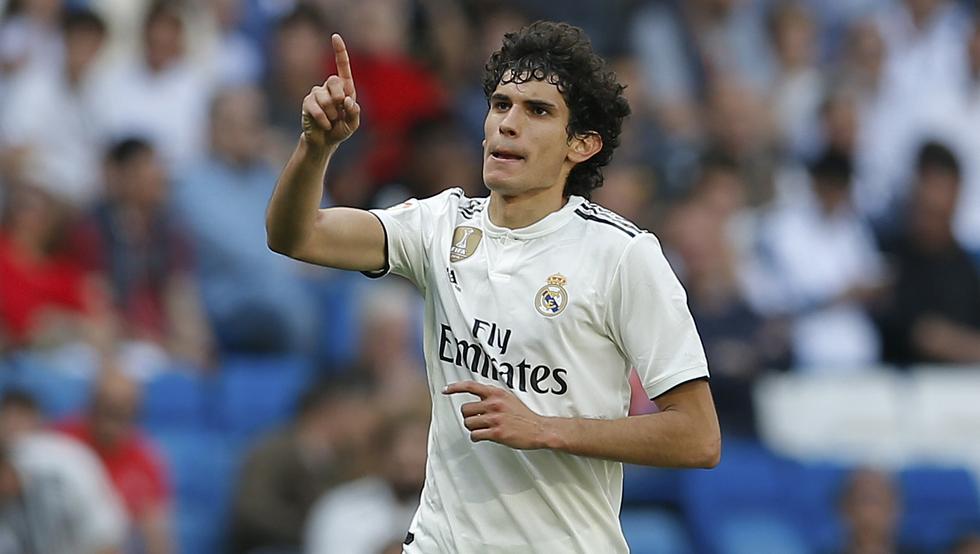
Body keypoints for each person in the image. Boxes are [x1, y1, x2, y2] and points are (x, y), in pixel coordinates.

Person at [266, 21, 720, 552]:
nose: (509, 123)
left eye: (538, 111)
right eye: (501, 104)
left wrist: (545, 428)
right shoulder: (440, 227)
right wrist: (316, 147)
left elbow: (698, 435)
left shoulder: (622, 256)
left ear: (583, 144)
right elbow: (295, 236)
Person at [229, 374, 378, 554]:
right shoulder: (271, 450)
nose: (363, 424)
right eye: (356, 413)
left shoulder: (346, 460)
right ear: (331, 410)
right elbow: (252, 509)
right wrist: (316, 528)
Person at [58, 369, 174, 554]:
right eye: (107, 405)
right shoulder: (60, 442)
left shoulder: (146, 459)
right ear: (91, 404)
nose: (116, 411)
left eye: (125, 408)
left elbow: (156, 532)